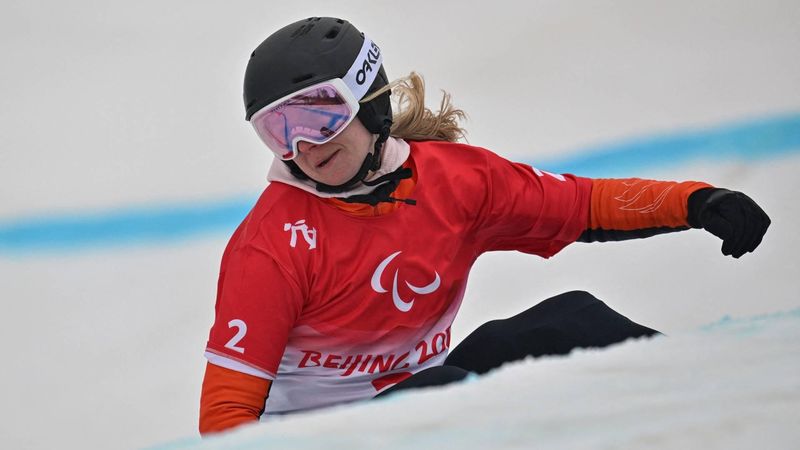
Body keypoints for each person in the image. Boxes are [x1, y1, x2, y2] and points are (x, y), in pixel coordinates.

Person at [199, 17, 770, 434]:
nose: (302, 145)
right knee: (441, 392)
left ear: (369, 102)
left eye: (318, 115)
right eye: (277, 131)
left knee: (570, 317)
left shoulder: (456, 181)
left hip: (424, 400)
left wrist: (698, 201)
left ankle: (729, 412)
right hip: (329, 436)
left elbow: (583, 205)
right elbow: (226, 416)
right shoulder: (271, 245)